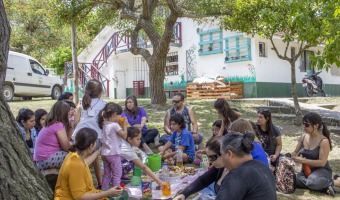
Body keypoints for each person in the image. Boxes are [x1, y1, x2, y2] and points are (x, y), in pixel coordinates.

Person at [54, 127, 123, 199]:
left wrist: (97, 152)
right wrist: (107, 193)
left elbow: (84, 164)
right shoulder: (76, 165)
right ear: (91, 146)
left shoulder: (74, 155)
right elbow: (80, 197)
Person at [217, 132, 276, 200]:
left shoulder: (236, 176)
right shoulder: (263, 166)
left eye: (221, 155)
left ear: (230, 154)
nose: (222, 159)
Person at [288, 112, 335, 196]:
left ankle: (331, 182)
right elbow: (295, 152)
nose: (304, 127)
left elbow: (322, 162)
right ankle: (324, 187)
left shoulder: (324, 141)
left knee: (311, 183)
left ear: (316, 126)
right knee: (290, 179)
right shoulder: (303, 136)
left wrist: (304, 160)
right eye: (303, 124)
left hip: (321, 170)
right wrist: (288, 156)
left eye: (306, 125)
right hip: (305, 171)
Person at [72, 79, 106, 188]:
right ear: (100, 92)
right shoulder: (103, 104)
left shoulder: (81, 102)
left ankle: (98, 181)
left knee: (83, 158)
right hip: (95, 137)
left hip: (79, 135)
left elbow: (76, 121)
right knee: (89, 160)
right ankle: (95, 183)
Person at [34, 101, 71, 170]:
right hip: (46, 159)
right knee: (76, 156)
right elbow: (67, 147)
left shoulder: (51, 124)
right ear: (64, 114)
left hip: (41, 160)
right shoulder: (58, 125)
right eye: (68, 111)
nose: (70, 113)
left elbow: (66, 143)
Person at [98, 102, 127, 190]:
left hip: (104, 154)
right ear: (114, 114)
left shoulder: (104, 123)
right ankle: (116, 193)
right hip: (114, 154)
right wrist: (125, 125)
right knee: (117, 174)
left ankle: (103, 191)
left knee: (107, 174)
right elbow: (124, 136)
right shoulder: (115, 125)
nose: (120, 117)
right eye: (119, 115)